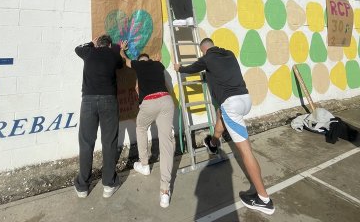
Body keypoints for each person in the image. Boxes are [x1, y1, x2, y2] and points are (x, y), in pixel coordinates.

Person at [174, 38, 275, 215]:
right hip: (245, 99)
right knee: (221, 114)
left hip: (232, 104)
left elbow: (191, 69)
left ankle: (263, 199)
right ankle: (213, 143)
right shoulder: (229, 54)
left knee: (246, 152)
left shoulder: (207, 58)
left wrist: (179, 68)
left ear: (203, 50)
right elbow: (220, 72)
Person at [120, 40, 175, 208]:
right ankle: (164, 191)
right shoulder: (158, 65)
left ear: (140, 61)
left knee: (141, 128)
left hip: (150, 102)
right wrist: (156, 61)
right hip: (166, 101)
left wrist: (122, 49)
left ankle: (144, 164)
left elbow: (125, 60)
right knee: (166, 143)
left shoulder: (138, 65)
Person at [74, 35, 123, 199]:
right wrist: (118, 49)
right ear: (109, 45)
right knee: (109, 142)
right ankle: (109, 184)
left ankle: (83, 187)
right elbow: (121, 65)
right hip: (109, 100)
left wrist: (91, 44)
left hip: (88, 100)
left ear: (97, 44)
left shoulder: (88, 52)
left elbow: (77, 49)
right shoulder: (113, 54)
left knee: (86, 143)